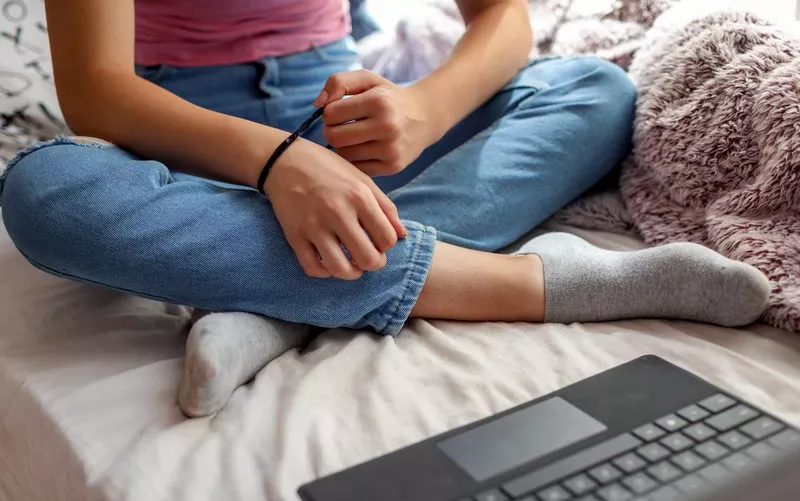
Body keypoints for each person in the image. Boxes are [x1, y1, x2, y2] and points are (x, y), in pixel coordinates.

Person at [0, 0, 770, 418]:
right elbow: (96, 89)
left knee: (592, 88)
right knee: (45, 191)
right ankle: (540, 283)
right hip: (182, 134)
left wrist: (426, 110)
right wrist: (275, 164)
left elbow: (502, 18)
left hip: (339, 119)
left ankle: (276, 309)